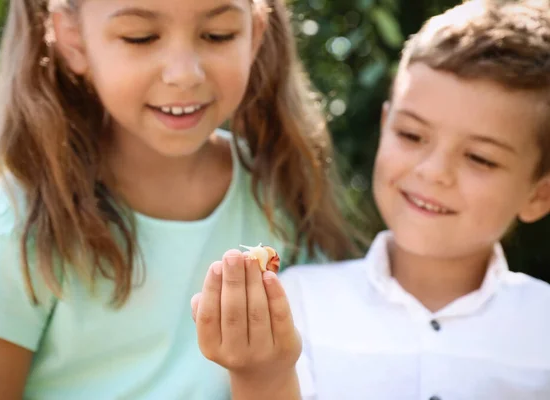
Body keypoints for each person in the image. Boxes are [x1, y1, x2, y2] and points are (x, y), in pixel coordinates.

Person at [0, 0, 358, 398]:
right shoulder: (19, 223)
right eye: (140, 37)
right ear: (73, 39)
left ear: (255, 33)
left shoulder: (282, 192)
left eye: (218, 35)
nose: (184, 74)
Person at [193, 0, 550, 399]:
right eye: (412, 136)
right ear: (385, 126)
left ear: (539, 194)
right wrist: (261, 375)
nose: (432, 171)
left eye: (480, 158)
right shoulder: (299, 304)